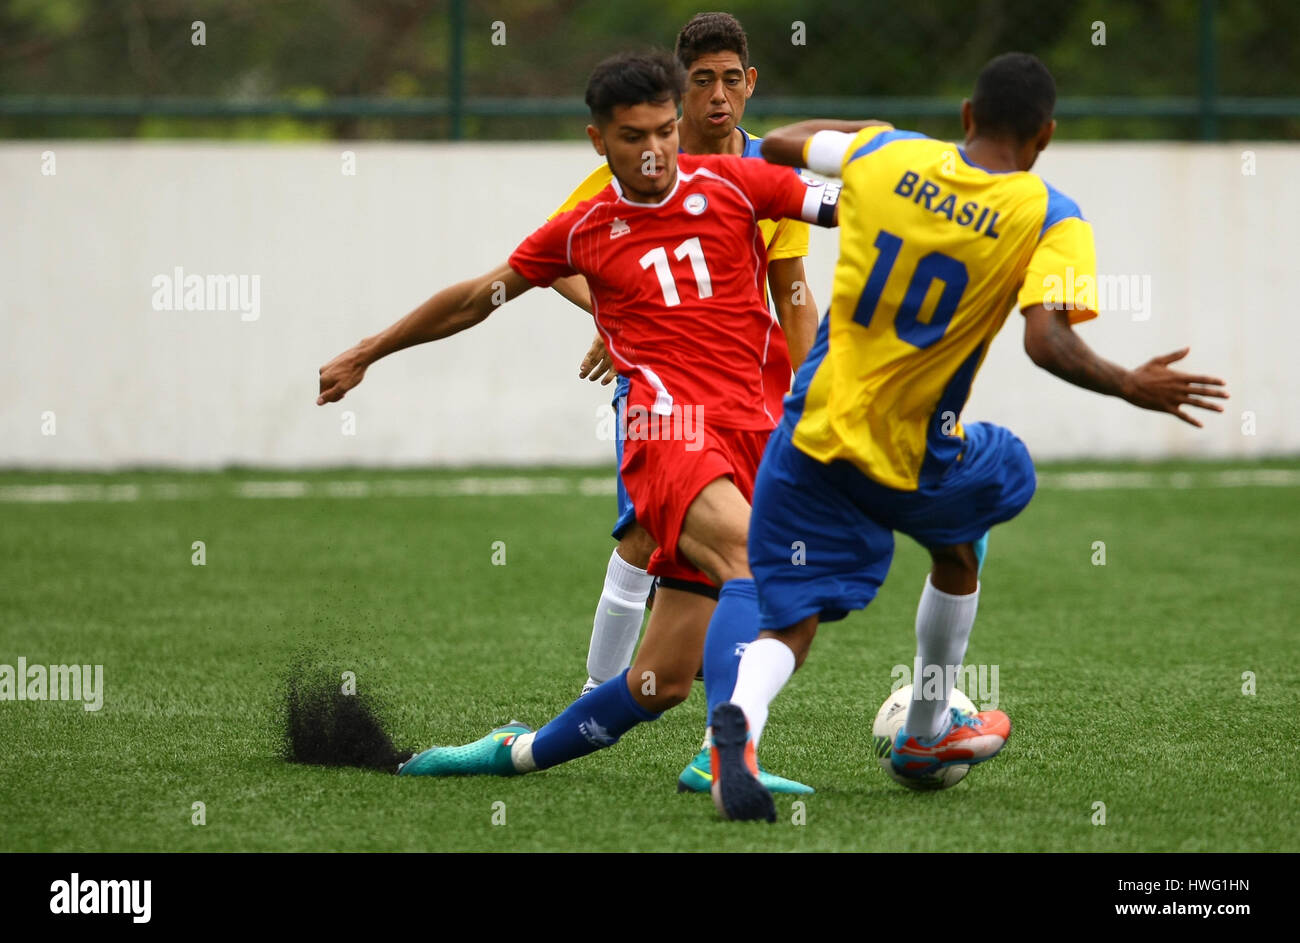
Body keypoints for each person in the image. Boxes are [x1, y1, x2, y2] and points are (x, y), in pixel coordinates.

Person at [706, 52, 1230, 822]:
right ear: (1045, 135)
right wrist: (1130, 384)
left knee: (792, 618)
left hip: (809, 431)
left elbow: (782, 141)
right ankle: (925, 730)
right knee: (1002, 475)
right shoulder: (1050, 214)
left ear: (965, 115)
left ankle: (741, 726)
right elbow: (1046, 342)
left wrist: (877, 138)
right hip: (913, 454)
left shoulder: (887, 154)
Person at [315, 51, 840, 786]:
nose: (654, 150)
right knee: (754, 563)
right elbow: (476, 298)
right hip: (666, 433)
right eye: (633, 136)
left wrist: (928, 186)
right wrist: (370, 351)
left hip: (748, 431)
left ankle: (514, 751)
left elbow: (847, 199)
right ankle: (729, 755)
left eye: (663, 130)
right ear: (599, 140)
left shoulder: (735, 182)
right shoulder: (581, 229)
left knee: (661, 681)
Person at [550, 12, 818, 796]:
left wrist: (807, 396)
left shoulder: (761, 173)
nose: (719, 96)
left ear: (751, 83)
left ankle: (708, 735)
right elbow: (562, 251)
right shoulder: (641, 156)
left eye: (732, 79)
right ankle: (618, 701)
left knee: (735, 555)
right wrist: (613, 311)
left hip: (744, 391)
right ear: (679, 87)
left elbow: (793, 293)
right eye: (702, 80)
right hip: (661, 392)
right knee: (646, 538)